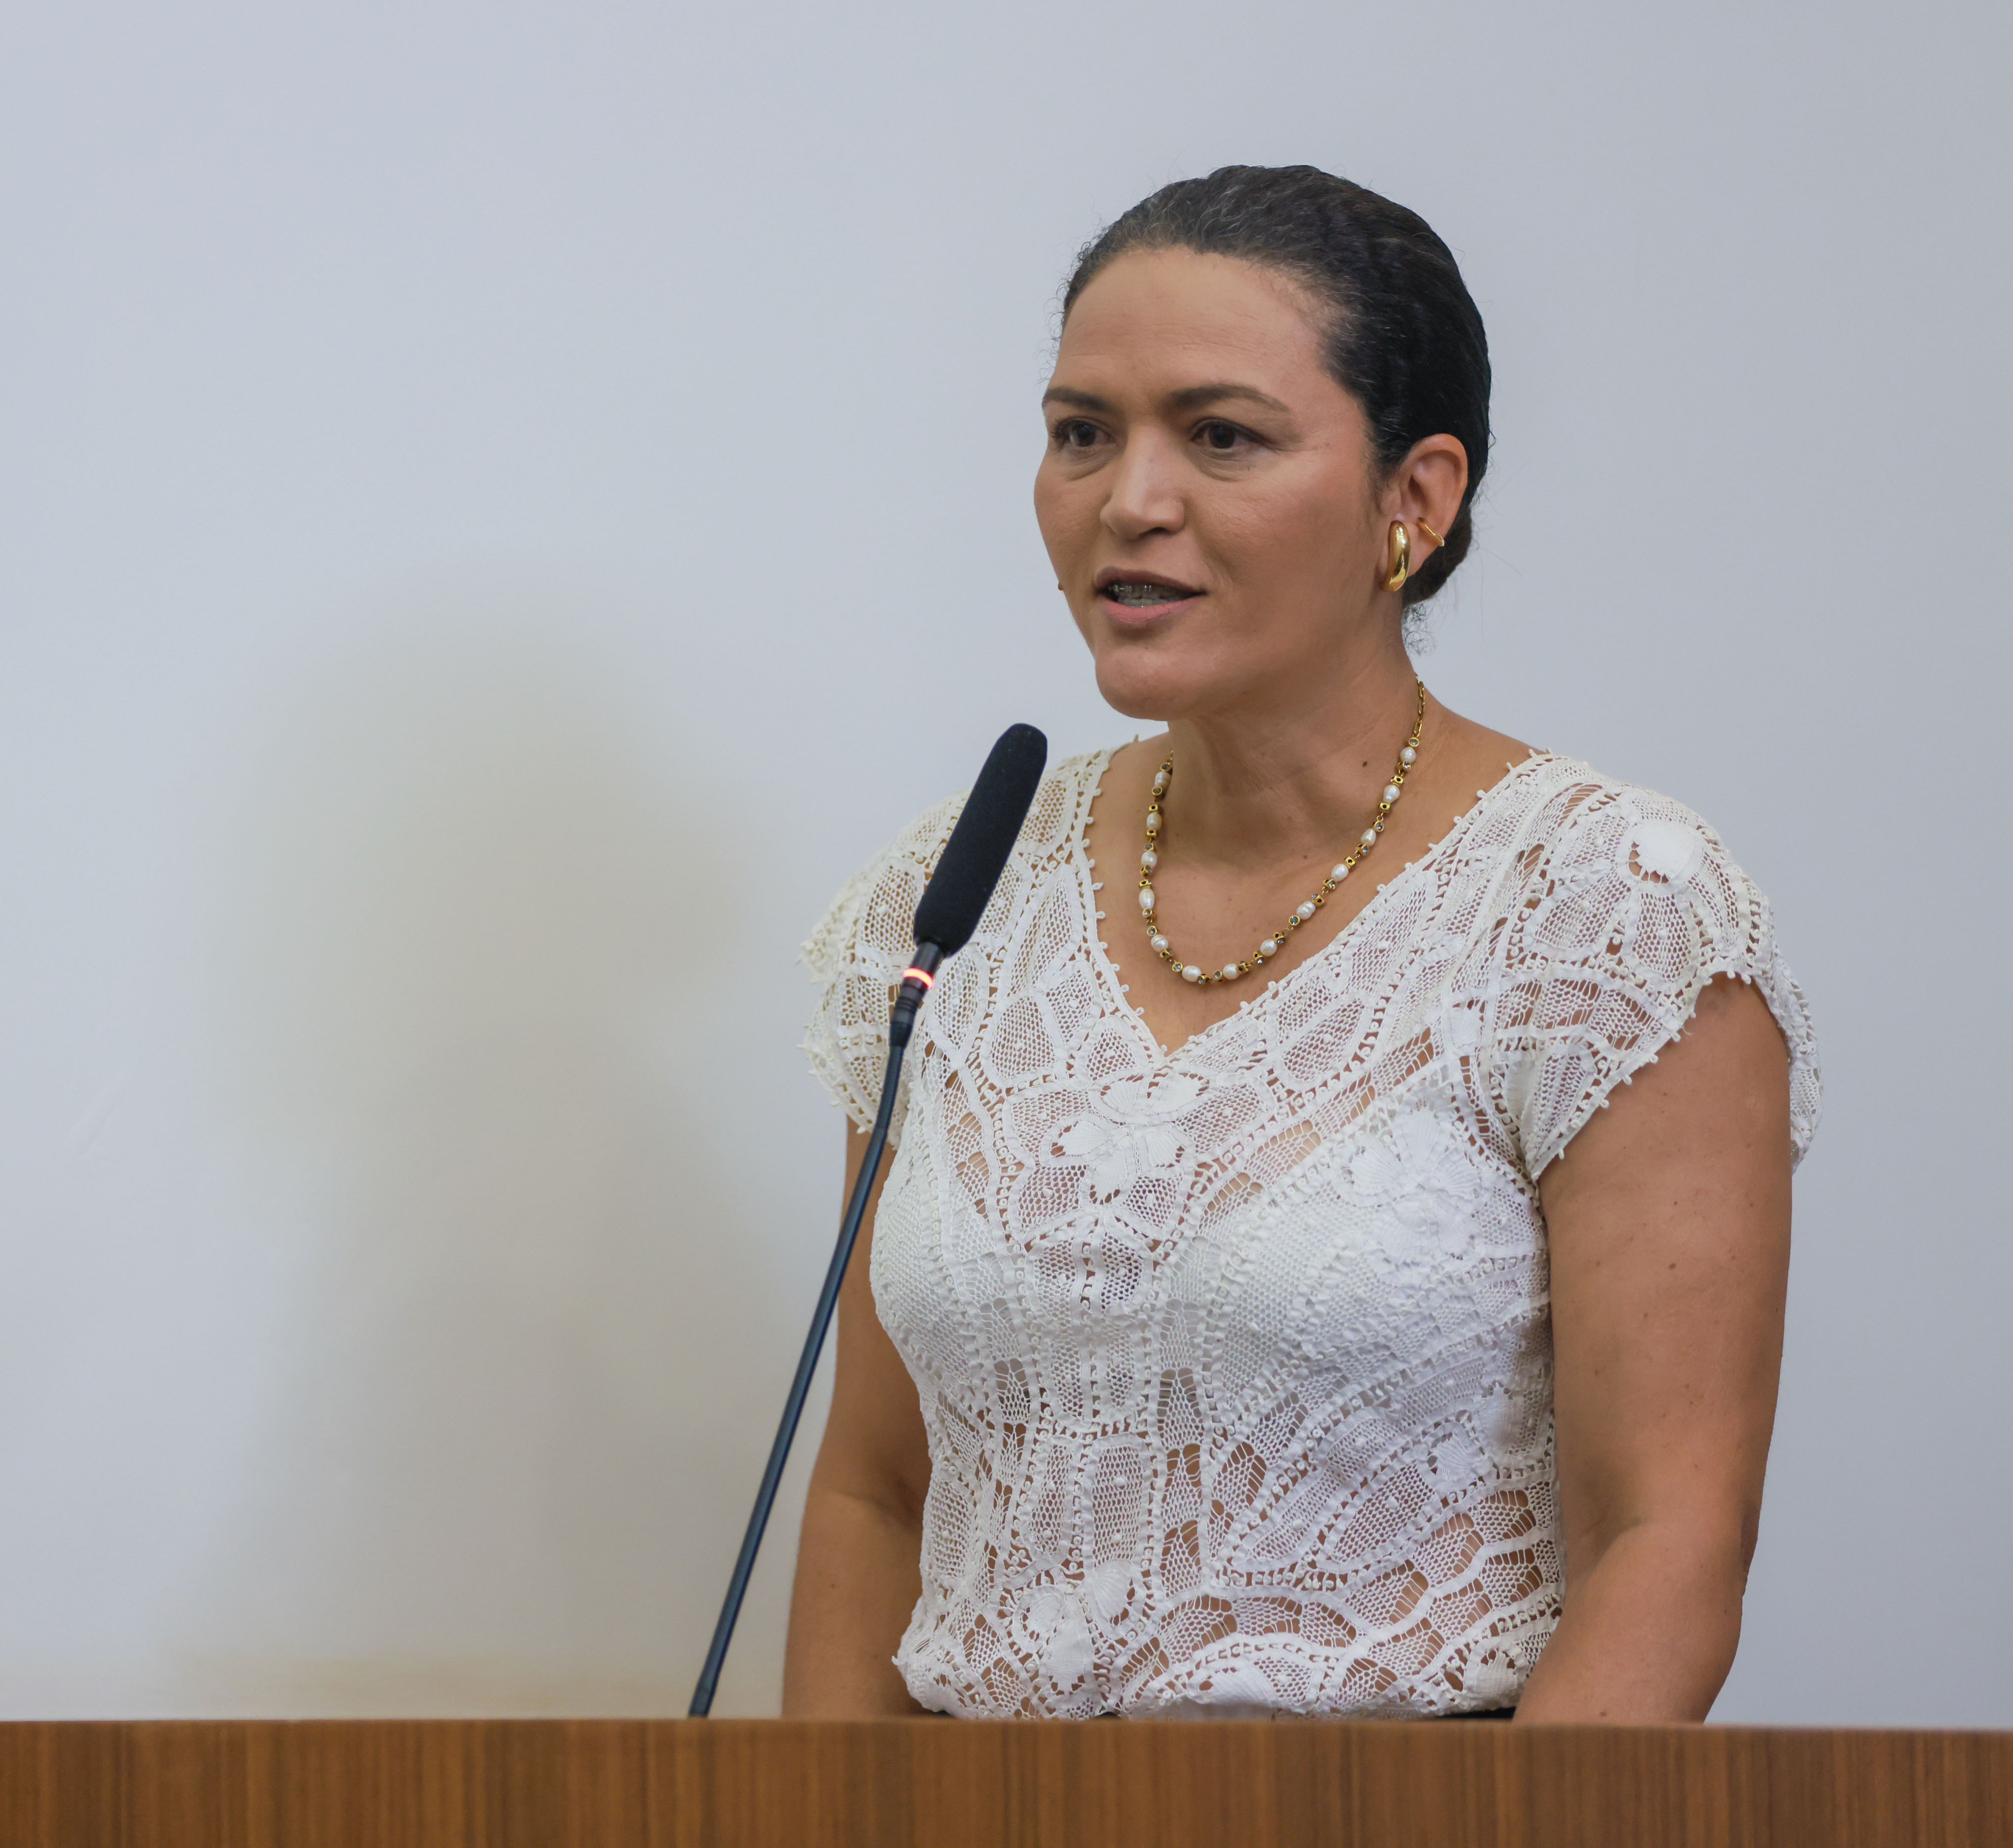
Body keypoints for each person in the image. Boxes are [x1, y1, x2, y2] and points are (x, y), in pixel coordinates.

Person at [779, 166, 1818, 1722]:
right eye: (1081, 432)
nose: (1127, 499)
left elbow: (1665, 1544)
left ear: (1415, 497)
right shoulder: (948, 895)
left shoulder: (1606, 904)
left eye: (1221, 436)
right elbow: (871, 1490)